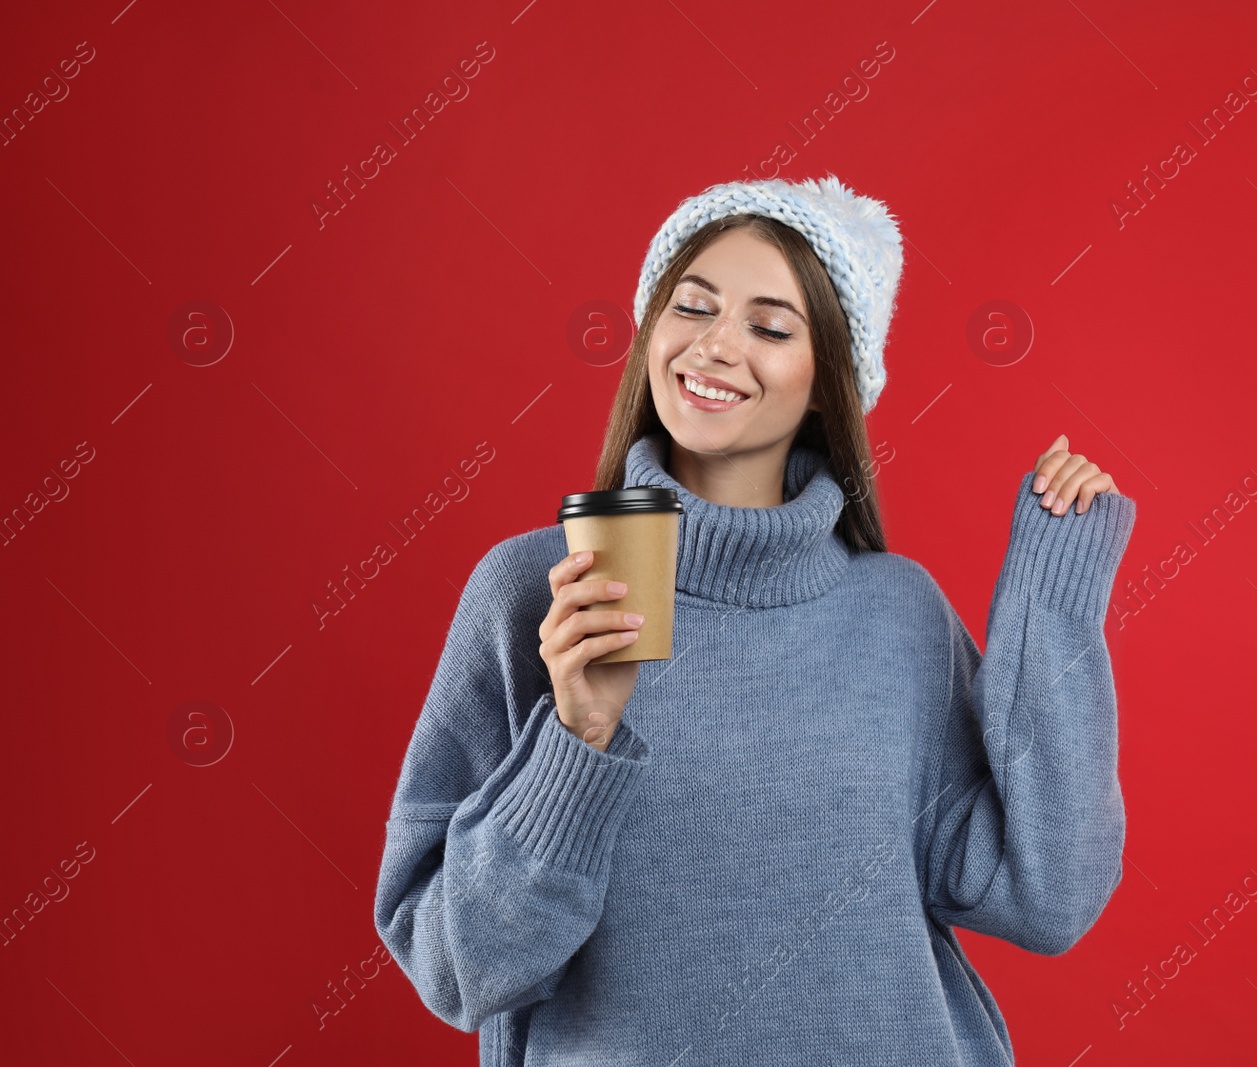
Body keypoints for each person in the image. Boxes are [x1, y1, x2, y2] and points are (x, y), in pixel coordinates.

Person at [374, 174, 1136, 1066]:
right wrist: (577, 737)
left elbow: (1047, 896)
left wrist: (1054, 600)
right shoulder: (534, 594)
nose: (716, 346)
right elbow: (459, 970)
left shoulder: (901, 614)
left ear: (828, 381)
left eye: (771, 327)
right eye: (691, 307)